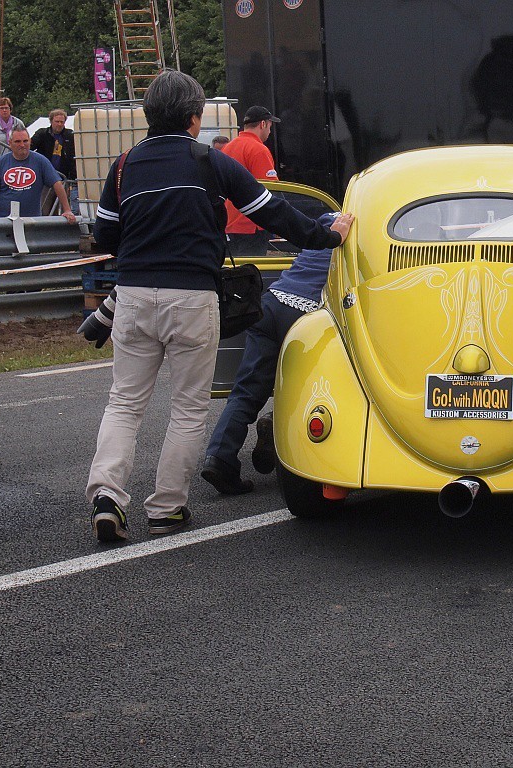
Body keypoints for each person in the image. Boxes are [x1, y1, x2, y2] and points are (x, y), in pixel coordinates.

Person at [84, 70, 353, 544]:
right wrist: (326, 236)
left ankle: (107, 497)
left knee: (124, 402)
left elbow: (105, 235)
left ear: (148, 115)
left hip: (133, 295)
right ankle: (167, 508)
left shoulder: (124, 166)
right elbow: (272, 213)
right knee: (188, 408)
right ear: (194, 118)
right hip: (192, 297)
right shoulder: (211, 162)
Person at [201, 225, 338, 494]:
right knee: (309, 390)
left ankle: (219, 457)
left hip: (272, 303)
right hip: (307, 313)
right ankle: (279, 436)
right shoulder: (368, 226)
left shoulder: (327, 221)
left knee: (245, 391)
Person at [223, 105, 281, 256]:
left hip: (229, 223)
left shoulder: (228, 148)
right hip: (252, 225)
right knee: (252, 268)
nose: (269, 131)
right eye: (270, 126)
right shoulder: (258, 149)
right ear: (263, 124)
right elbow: (270, 189)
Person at [0, 128, 77, 221]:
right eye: (17, 141)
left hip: (32, 220)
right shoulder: (0, 163)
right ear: (10, 143)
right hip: (3, 220)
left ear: (30, 141)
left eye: (25, 141)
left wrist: (67, 210)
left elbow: (57, 183)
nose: (22, 145)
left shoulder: (40, 161)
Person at [31, 108, 78, 214]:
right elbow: (30, 147)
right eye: (57, 121)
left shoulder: (70, 135)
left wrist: (73, 177)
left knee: (63, 209)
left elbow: (74, 157)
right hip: (45, 178)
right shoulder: (42, 134)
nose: (59, 124)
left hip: (63, 178)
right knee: (45, 208)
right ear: (51, 121)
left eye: (62, 122)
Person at [0, 97, 26, 166]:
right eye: (2, 108)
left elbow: (24, 141)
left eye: (6, 108)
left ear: (10, 109)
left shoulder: (18, 123)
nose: (4, 110)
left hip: (17, 161)